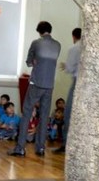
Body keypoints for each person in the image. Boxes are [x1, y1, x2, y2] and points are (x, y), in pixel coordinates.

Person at [9, 21, 61, 157]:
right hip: (49, 85)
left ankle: (20, 148)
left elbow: (29, 61)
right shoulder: (57, 45)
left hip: (36, 83)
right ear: (50, 30)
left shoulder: (36, 43)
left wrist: (34, 62)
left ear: (39, 31)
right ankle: (41, 148)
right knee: (44, 116)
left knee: (27, 113)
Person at [54, 27, 81, 153]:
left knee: (68, 113)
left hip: (77, 83)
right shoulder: (90, 49)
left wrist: (66, 66)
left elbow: (70, 68)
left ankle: (66, 144)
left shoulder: (74, 48)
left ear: (73, 36)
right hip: (89, 85)